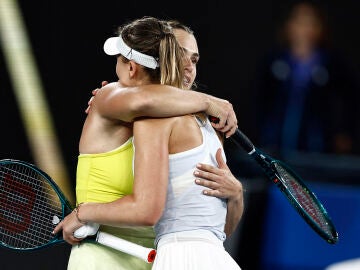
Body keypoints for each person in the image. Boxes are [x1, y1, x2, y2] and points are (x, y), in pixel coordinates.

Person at [53, 17, 243, 270]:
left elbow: (210, 234)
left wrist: (236, 195)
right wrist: (211, 101)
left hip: (161, 260)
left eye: (194, 59)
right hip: (103, 260)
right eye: (179, 55)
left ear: (131, 67)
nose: (187, 66)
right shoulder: (110, 96)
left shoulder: (198, 125)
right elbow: (143, 100)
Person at [254, 1, 359, 156]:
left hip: (317, 147)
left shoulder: (332, 63)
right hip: (276, 145)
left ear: (320, 28)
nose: (304, 30)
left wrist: (344, 132)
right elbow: (259, 100)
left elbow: (350, 101)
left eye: (311, 23)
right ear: (288, 26)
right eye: (299, 22)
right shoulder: (273, 61)